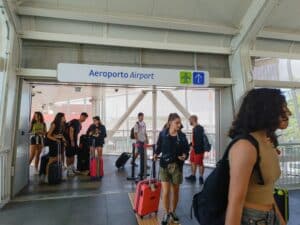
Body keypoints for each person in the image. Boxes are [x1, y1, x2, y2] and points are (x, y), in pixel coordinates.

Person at [225, 88, 291, 225]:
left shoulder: (267, 142)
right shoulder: (245, 147)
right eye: (283, 109)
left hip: (270, 216)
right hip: (252, 219)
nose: (289, 113)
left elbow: (267, 191)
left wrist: (280, 220)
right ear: (268, 111)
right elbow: (235, 202)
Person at [154, 113, 189, 225]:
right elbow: (159, 146)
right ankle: (167, 213)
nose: (179, 125)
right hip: (164, 165)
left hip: (177, 167)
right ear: (170, 123)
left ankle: (172, 212)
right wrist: (155, 153)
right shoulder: (163, 134)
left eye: (179, 123)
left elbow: (186, 150)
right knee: (166, 192)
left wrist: (185, 156)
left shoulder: (182, 136)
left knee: (175, 191)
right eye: (177, 123)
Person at [45, 112, 67, 183]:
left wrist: (63, 139)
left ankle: (59, 175)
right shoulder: (54, 124)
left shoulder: (62, 124)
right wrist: (56, 139)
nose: (64, 118)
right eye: (63, 117)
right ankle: (47, 176)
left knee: (60, 159)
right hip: (54, 144)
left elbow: (60, 134)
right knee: (52, 160)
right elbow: (48, 135)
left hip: (59, 143)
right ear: (60, 117)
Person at [65, 112, 88, 176]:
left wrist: (75, 142)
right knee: (69, 155)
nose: (84, 119)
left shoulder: (80, 124)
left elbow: (76, 134)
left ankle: (72, 168)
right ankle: (69, 170)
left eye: (85, 118)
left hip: (74, 141)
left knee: (73, 154)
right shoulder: (75, 121)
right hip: (69, 141)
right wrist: (72, 140)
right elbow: (71, 130)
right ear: (80, 116)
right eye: (83, 117)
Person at [185, 115, 205, 184]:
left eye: (190, 120)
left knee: (200, 163)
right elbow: (195, 139)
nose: (189, 121)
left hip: (199, 150)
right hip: (194, 149)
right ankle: (193, 176)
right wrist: (190, 145)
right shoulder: (195, 128)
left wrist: (193, 147)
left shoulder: (199, 128)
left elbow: (199, 141)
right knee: (192, 162)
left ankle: (201, 177)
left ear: (193, 120)